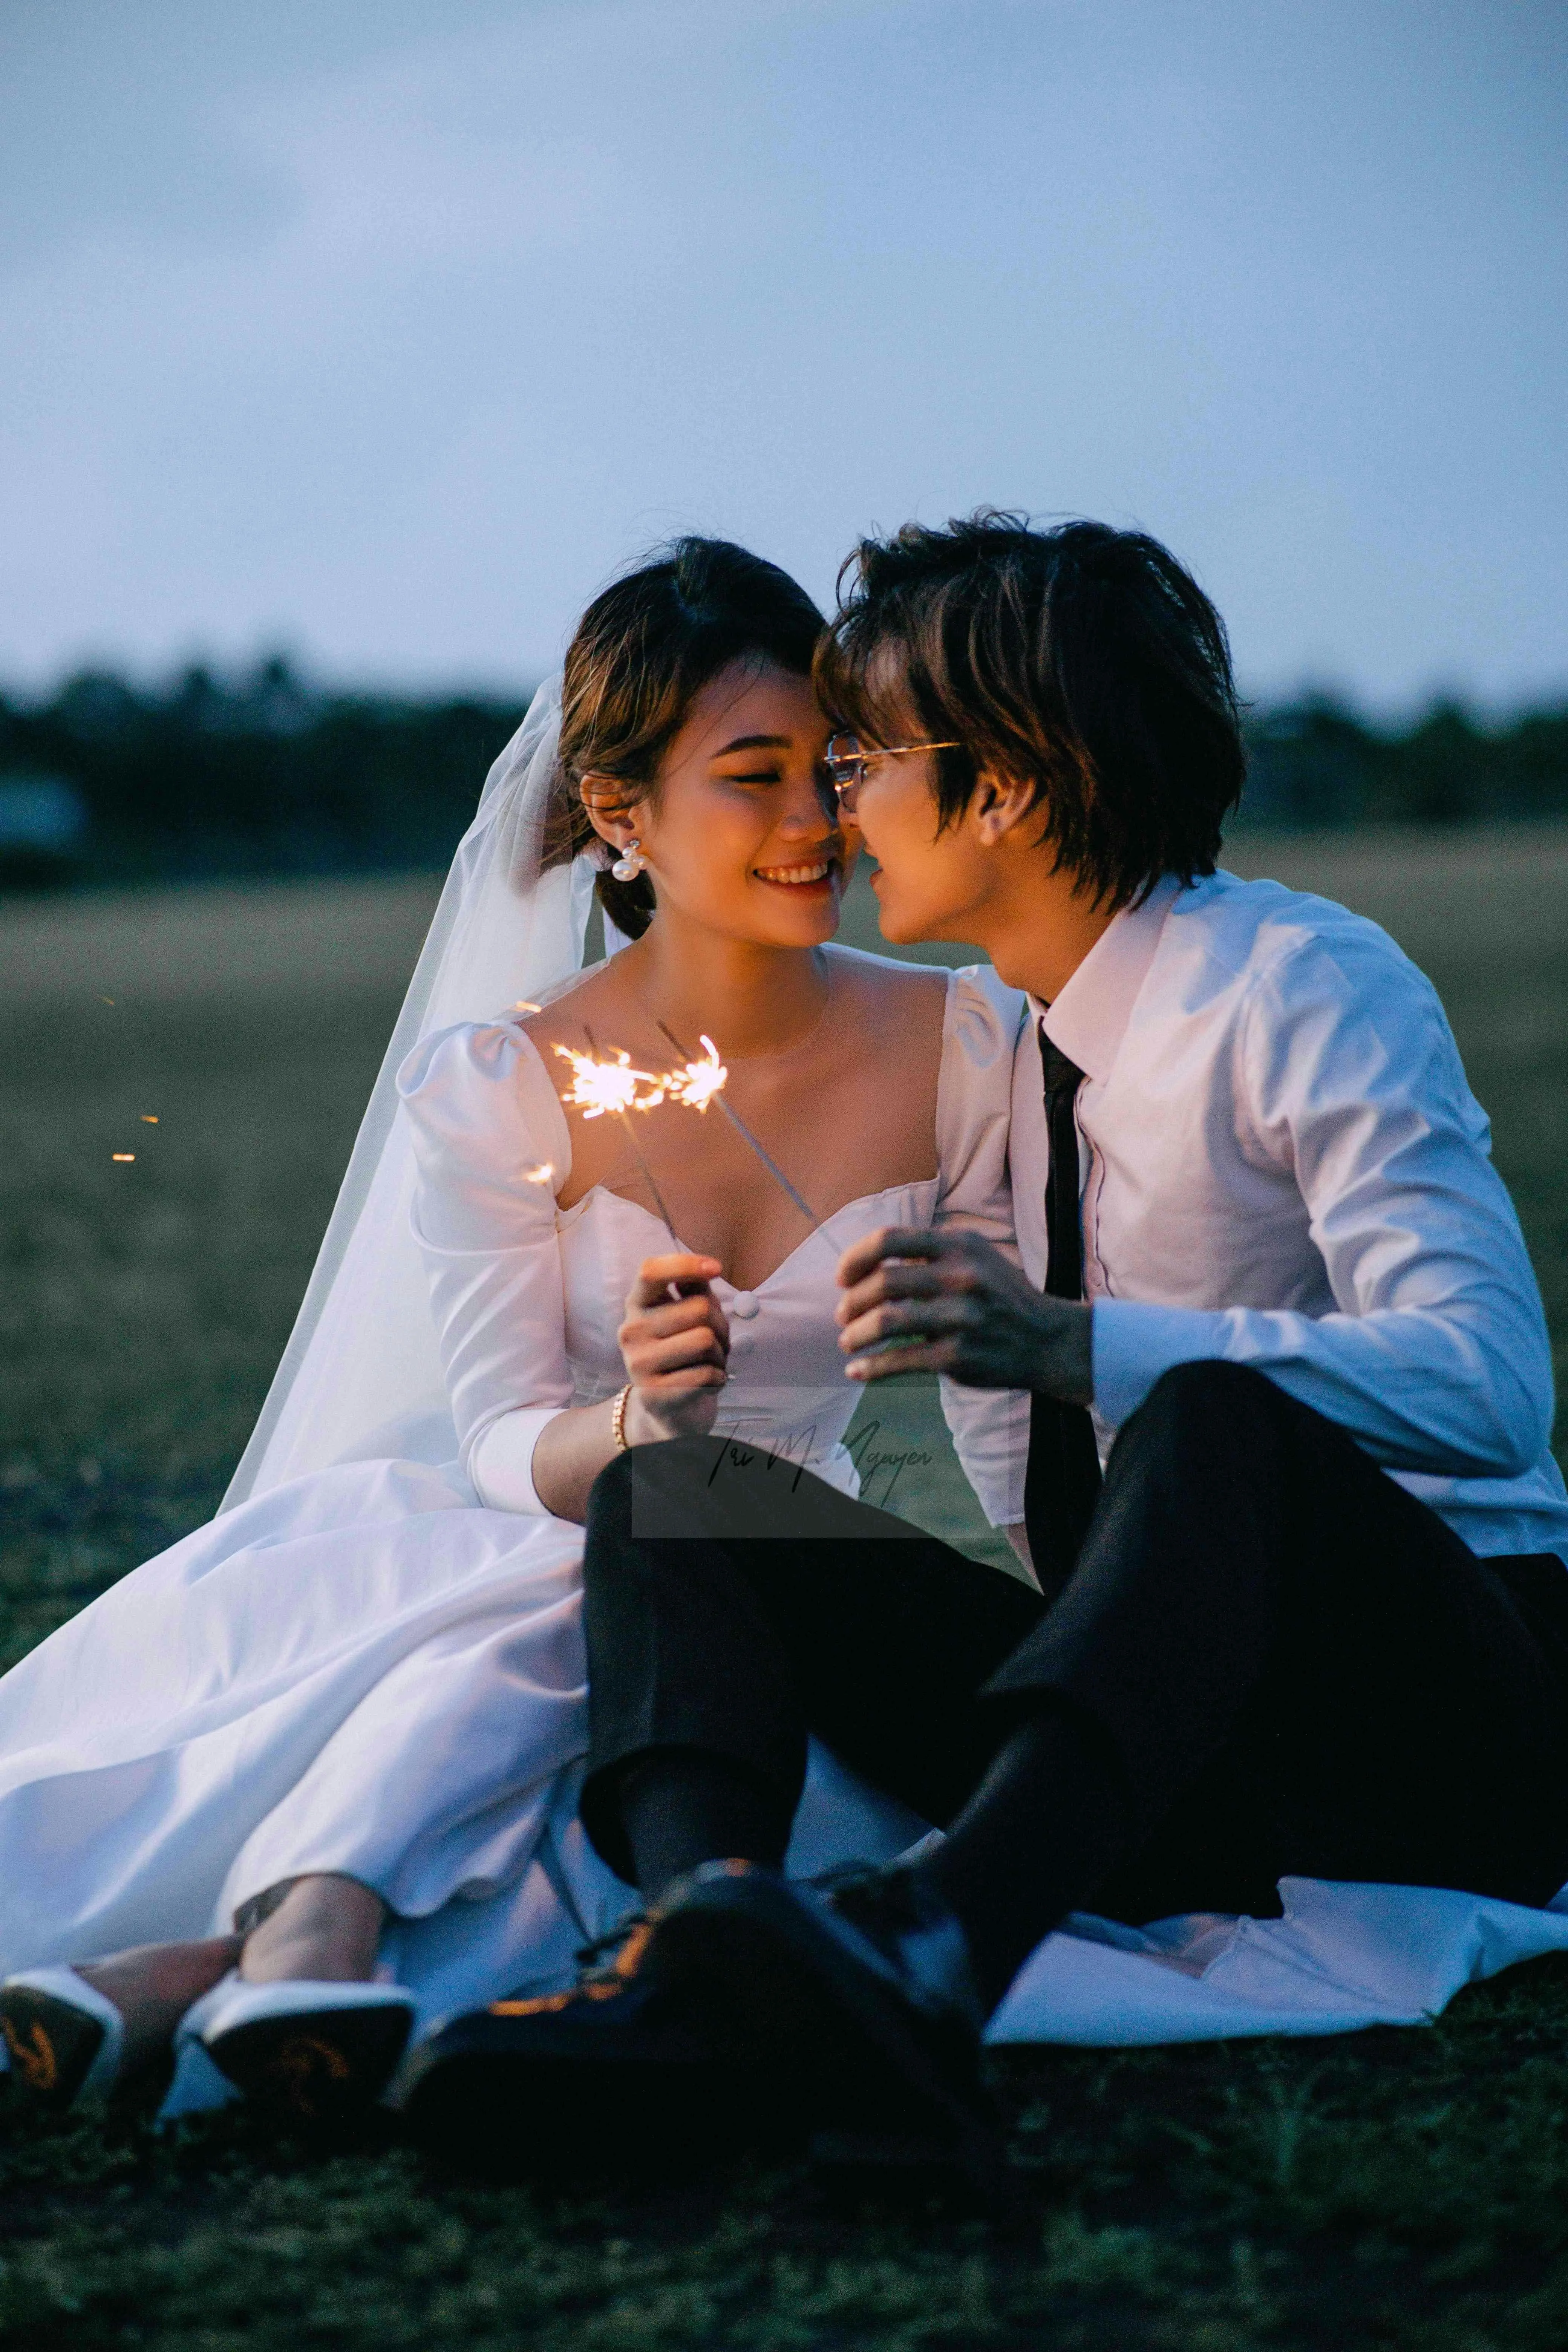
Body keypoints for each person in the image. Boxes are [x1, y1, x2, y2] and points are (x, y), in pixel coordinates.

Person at [470, 512, 1568, 2172]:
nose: (835, 806)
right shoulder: (1019, 1046)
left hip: (1431, 1717)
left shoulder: (1300, 985)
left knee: (1211, 1417)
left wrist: (1074, 1346)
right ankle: (716, 1947)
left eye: (862, 761)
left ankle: (925, 1954)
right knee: (674, 1487)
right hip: (1161, 1732)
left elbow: (1489, 1390)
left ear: (999, 788)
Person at [0, 537, 1027, 2126]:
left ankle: (223, 1962)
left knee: (610, 1599)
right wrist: (629, 1427)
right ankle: (290, 1945)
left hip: (810, 1570)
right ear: (618, 814)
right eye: (751, 776)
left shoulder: (963, 1041)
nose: (812, 821)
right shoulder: (506, 1080)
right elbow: (494, 1438)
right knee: (564, 1596)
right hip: (532, 1522)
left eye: (830, 770)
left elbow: (1005, 1402)